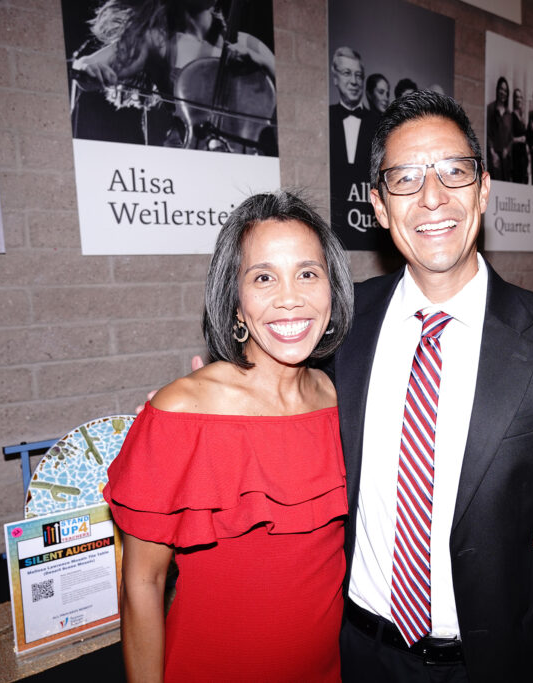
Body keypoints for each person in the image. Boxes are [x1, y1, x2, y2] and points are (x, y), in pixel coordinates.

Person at [334, 91, 533, 681]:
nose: (432, 196)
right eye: (405, 178)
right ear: (379, 206)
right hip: (359, 656)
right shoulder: (339, 325)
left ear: (484, 190)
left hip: (497, 663)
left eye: (454, 171)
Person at [106, 190, 354, 682]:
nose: (290, 297)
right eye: (263, 277)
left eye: (308, 273)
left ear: (333, 290)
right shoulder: (180, 412)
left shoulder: (342, 401)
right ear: (235, 303)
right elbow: (143, 583)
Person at [70, 0, 276, 151]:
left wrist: (264, 64)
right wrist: (86, 68)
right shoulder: (158, 41)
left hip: (245, 157)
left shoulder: (249, 44)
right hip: (189, 154)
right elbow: (86, 65)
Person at [328, 46, 380, 248]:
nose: (354, 81)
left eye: (359, 75)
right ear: (335, 78)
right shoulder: (325, 117)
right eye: (347, 73)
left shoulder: (379, 122)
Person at [485, 76, 513, 181]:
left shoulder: (509, 114)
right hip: (493, 157)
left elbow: (510, 137)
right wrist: (493, 153)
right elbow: (487, 133)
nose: (503, 93)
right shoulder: (490, 109)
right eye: (501, 89)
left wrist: (507, 149)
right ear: (497, 90)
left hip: (505, 160)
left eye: (505, 91)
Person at [509, 87, 529, 183]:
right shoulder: (511, 116)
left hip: (523, 154)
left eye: (520, 97)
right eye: (517, 97)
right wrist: (520, 139)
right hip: (516, 154)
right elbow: (509, 138)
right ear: (514, 99)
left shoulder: (523, 116)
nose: (519, 99)